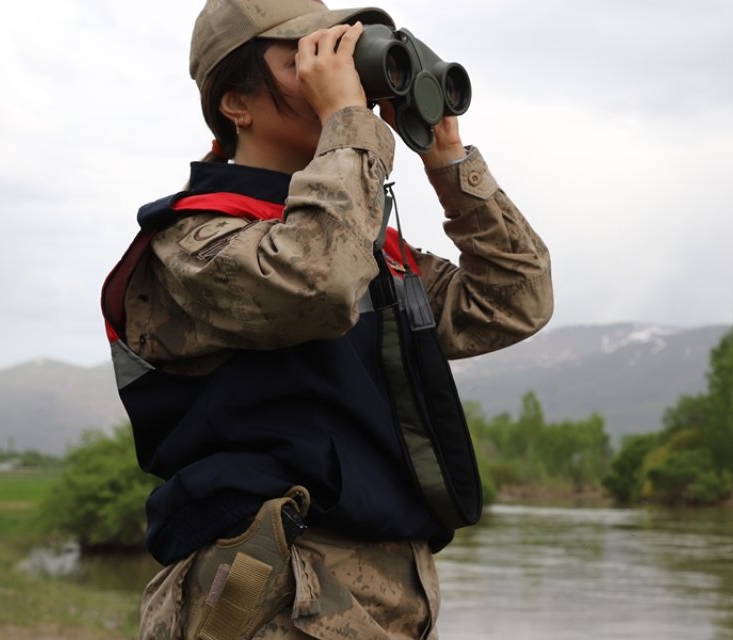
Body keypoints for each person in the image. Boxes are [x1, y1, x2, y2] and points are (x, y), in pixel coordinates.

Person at [100, 1, 553, 638]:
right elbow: (317, 282)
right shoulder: (193, 238)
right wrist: (347, 124)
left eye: (341, 51)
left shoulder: (363, 244)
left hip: (391, 593)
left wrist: (448, 159)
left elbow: (515, 300)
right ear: (237, 103)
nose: (335, 69)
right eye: (307, 56)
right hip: (265, 592)